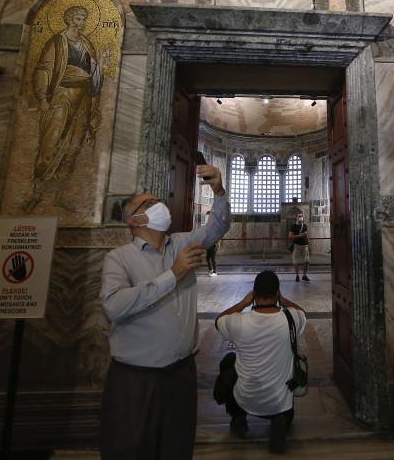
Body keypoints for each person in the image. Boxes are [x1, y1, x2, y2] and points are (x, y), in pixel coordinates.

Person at [99, 164, 230, 460]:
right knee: (131, 449)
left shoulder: (181, 243)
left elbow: (217, 227)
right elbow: (114, 306)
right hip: (136, 378)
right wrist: (173, 274)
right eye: (150, 203)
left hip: (181, 373)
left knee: (177, 447)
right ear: (135, 219)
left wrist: (218, 191)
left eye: (159, 201)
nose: (160, 205)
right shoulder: (119, 259)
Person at [26, 5, 115, 211]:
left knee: (73, 145)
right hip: (62, 97)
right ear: (68, 20)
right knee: (51, 142)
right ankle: (36, 193)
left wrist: (101, 61)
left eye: (83, 19)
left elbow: (93, 73)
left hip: (82, 100)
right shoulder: (58, 41)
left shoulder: (86, 44)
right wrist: (42, 98)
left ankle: (59, 196)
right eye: (77, 18)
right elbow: (44, 68)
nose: (81, 22)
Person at [214, 270, 306, 455]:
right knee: (284, 409)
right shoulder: (291, 319)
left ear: (254, 293)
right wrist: (283, 300)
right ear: (277, 292)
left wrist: (244, 303)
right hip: (280, 402)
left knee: (229, 361)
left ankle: (238, 415)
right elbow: (302, 313)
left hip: (245, 398)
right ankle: (280, 420)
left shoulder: (239, 322)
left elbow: (218, 321)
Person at [289, 212, 309, 282]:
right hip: (297, 245)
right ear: (296, 217)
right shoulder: (293, 226)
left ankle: (304, 275)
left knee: (306, 261)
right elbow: (290, 236)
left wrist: (309, 245)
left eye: (301, 216)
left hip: (305, 245)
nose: (300, 217)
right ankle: (297, 276)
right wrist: (299, 236)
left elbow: (306, 235)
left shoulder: (305, 226)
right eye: (299, 216)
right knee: (296, 261)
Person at [205, 209, 218, 275]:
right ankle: (211, 269)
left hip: (213, 245)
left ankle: (215, 271)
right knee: (207, 258)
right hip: (209, 245)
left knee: (213, 259)